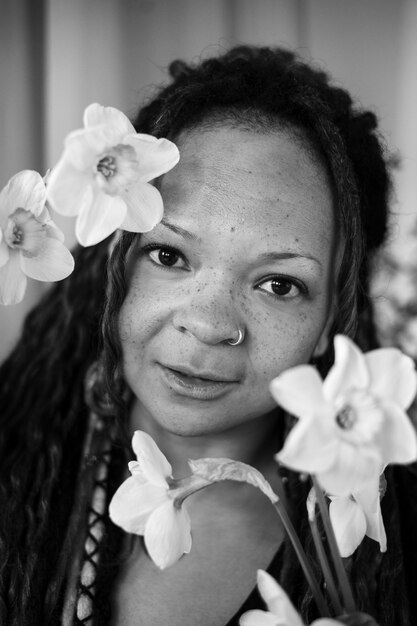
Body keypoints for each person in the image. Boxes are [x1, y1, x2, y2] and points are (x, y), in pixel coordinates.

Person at [0, 45, 416, 626]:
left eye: (278, 283)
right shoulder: (11, 453)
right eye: (168, 254)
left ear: (333, 322)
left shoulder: (392, 551)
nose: (211, 324)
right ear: (112, 262)